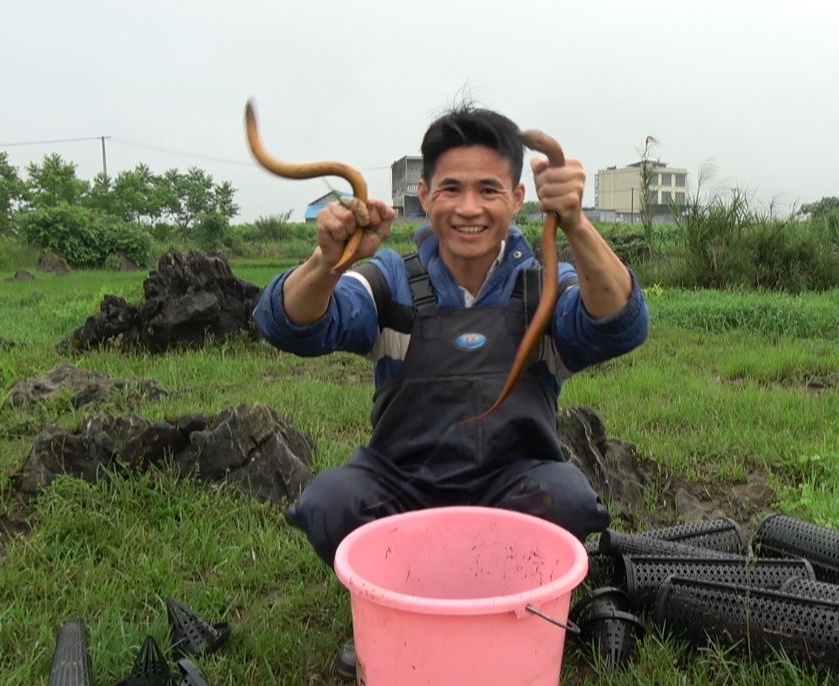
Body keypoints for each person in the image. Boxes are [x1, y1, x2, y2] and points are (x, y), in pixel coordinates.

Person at [252, 105, 649, 678]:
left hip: (513, 482)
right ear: (424, 193)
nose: (468, 208)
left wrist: (577, 225)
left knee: (567, 498)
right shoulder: (389, 276)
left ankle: (511, 608)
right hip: (401, 483)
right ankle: (388, 608)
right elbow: (289, 325)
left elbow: (622, 325)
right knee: (329, 502)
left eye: (488, 189)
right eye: (451, 189)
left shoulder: (545, 278)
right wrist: (327, 261)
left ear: (517, 198)